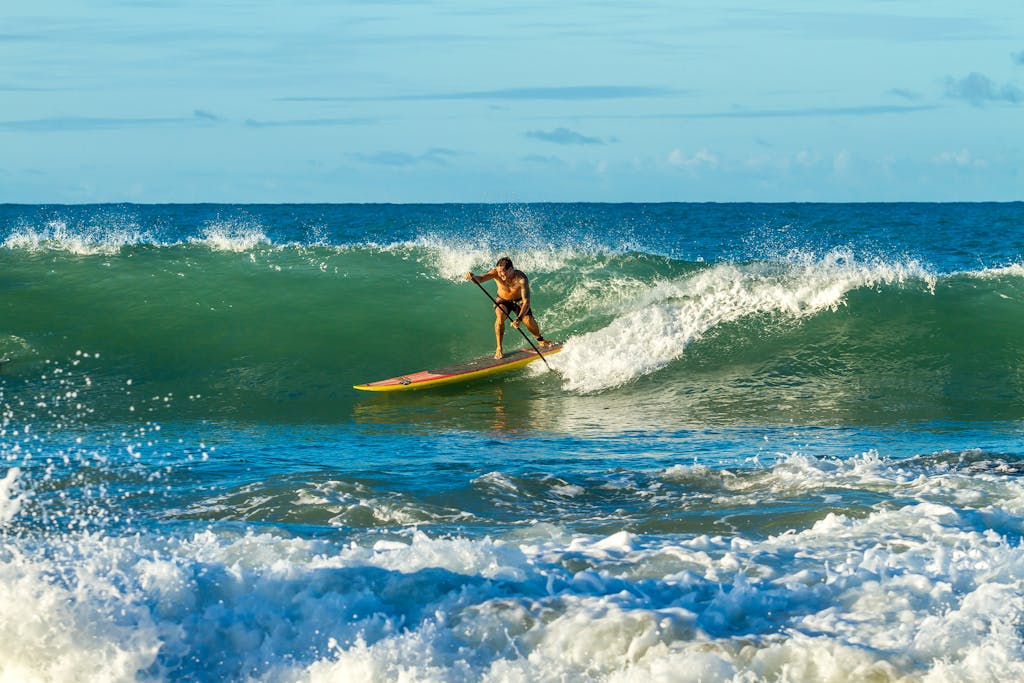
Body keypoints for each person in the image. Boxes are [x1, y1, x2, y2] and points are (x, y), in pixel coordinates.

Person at [465, 257, 554, 359]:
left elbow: (526, 302)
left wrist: (519, 319)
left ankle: (540, 340)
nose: (500, 274)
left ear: (511, 269)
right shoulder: (495, 273)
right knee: (500, 319)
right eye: (498, 271)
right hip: (502, 300)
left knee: (528, 321)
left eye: (502, 272)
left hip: (519, 301)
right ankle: (499, 348)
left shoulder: (521, 279)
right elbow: (480, 279)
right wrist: (472, 277)